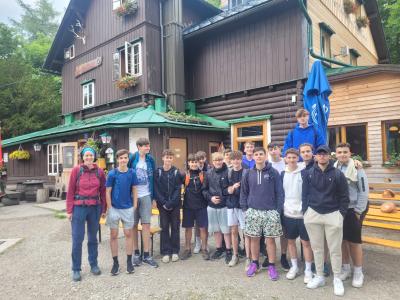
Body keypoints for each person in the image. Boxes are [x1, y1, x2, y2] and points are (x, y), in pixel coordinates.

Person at [302, 145, 349, 296]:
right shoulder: (308, 174)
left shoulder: (337, 174)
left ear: (329, 156)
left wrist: (341, 214)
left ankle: (337, 278)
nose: (322, 156)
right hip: (313, 214)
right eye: (319, 154)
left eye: (325, 154)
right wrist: (306, 212)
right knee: (317, 248)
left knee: (335, 249)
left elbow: (344, 197)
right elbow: (304, 195)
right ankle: (320, 276)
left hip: (333, 214)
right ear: (315, 156)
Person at [240, 147, 284, 280]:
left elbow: (280, 193)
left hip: (270, 211)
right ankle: (254, 263)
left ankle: (271, 265)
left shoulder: (273, 172)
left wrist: (277, 210)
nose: (258, 156)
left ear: (265, 156)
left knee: (270, 240)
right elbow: (244, 192)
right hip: (253, 211)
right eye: (256, 154)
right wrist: (245, 209)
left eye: (261, 154)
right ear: (253, 157)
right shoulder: (248, 173)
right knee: (254, 239)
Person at [66, 146, 106, 282]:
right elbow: (70, 191)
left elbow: (103, 192)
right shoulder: (76, 170)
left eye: (91, 155)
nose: (89, 157)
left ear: (94, 157)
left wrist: (103, 209)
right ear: (82, 157)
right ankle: (76, 269)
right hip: (79, 208)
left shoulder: (99, 172)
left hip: (94, 208)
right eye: (86, 155)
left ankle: (93, 264)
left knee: (93, 238)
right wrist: (69, 210)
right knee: (77, 239)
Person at [335, 143, 369, 288]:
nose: (342, 154)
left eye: (345, 152)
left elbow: (363, 191)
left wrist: (358, 211)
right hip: (340, 209)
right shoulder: (334, 167)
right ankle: (346, 268)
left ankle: (358, 272)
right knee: (342, 240)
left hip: (354, 209)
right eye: (339, 152)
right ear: (335, 154)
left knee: (354, 242)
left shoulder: (356, 168)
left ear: (350, 153)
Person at [281, 148, 313, 283]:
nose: (292, 160)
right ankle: (294, 267)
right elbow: (281, 194)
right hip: (288, 214)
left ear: (298, 158)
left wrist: (304, 209)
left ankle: (308, 270)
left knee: (306, 243)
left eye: (294, 157)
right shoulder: (282, 174)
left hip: (302, 214)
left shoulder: (304, 173)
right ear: (286, 159)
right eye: (289, 157)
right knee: (290, 242)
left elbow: (309, 193)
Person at [105, 149, 138, 275]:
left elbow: (135, 189)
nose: (123, 160)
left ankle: (129, 261)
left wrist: (134, 204)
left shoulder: (132, 173)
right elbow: (107, 191)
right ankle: (115, 263)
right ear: (117, 159)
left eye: (125, 158)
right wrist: (110, 207)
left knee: (128, 233)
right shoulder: (112, 174)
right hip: (114, 208)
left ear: (128, 159)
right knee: (113, 235)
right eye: (121, 158)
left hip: (128, 208)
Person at [128, 137, 158, 268]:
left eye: (148, 145)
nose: (148, 147)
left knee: (146, 225)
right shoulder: (132, 158)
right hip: (133, 196)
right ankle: (136, 253)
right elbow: (127, 174)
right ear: (139, 147)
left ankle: (147, 254)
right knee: (134, 225)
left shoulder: (150, 159)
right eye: (145, 145)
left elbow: (154, 179)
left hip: (146, 195)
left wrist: (154, 198)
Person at [203, 152, 232, 264]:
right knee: (216, 229)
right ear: (212, 161)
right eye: (215, 160)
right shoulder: (208, 173)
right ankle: (219, 249)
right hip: (212, 205)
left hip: (224, 205)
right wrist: (211, 198)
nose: (218, 162)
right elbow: (204, 190)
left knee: (226, 229)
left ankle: (228, 250)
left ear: (223, 160)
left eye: (220, 160)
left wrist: (223, 197)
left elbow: (230, 188)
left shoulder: (228, 172)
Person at [154, 149, 182, 264]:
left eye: (170, 157)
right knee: (164, 227)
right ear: (162, 158)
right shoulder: (158, 171)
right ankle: (165, 251)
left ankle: (175, 251)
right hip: (162, 205)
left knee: (175, 227)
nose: (168, 159)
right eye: (167, 157)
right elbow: (156, 188)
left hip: (174, 204)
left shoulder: (176, 172)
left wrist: (170, 203)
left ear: (172, 159)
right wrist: (163, 202)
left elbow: (178, 188)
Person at [181, 154, 210, 261]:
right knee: (188, 228)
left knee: (203, 228)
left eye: (195, 162)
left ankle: (204, 249)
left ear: (199, 163)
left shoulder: (204, 174)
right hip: (188, 206)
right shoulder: (184, 175)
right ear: (188, 163)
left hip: (201, 205)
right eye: (191, 162)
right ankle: (187, 249)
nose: (194, 164)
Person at [267, 142, 290, 271]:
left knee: (284, 232)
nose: (273, 151)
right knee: (269, 232)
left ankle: (283, 255)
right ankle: (269, 256)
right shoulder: (267, 165)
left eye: (275, 149)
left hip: (286, 202)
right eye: (270, 149)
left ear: (280, 150)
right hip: (271, 203)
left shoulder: (287, 163)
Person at [226, 150, 246, 267]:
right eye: (233, 159)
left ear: (241, 160)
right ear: (230, 160)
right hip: (231, 205)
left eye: (238, 159)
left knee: (245, 232)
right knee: (233, 231)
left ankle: (248, 256)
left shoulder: (246, 172)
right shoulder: (228, 173)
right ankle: (235, 254)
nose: (235, 161)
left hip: (242, 205)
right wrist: (231, 188)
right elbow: (226, 189)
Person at [193, 150, 210, 253]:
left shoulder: (209, 168)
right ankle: (197, 243)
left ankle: (205, 243)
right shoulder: (192, 168)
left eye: (202, 159)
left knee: (205, 224)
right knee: (196, 224)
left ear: (205, 158)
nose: (200, 161)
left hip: (205, 199)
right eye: (198, 159)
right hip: (195, 199)